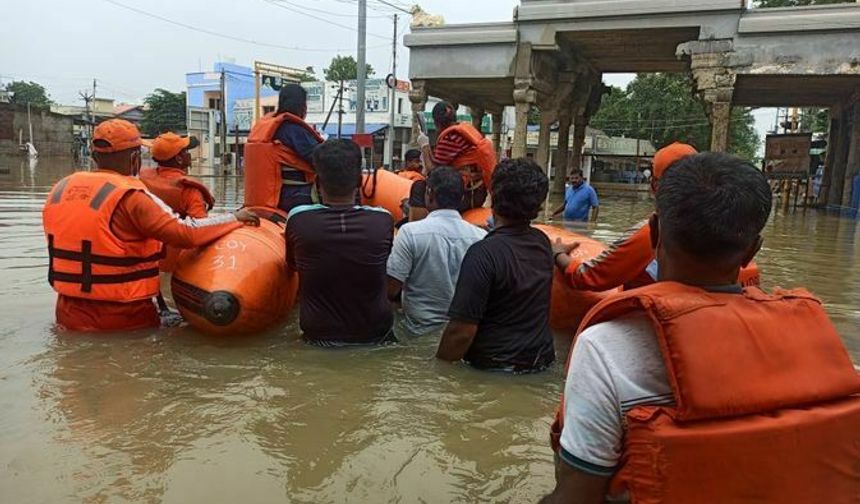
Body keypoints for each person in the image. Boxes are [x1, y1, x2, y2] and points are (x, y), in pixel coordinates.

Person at [541, 152, 860, 504]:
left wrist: (558, 256)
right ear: (752, 250)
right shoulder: (822, 347)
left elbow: (576, 497)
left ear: (656, 232)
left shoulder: (604, 348)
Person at [43, 119, 259, 332]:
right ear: (136, 157)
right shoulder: (131, 196)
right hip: (125, 317)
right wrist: (235, 218)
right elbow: (186, 233)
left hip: (67, 312)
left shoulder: (59, 189)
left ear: (95, 156)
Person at [437, 158, 555, 373]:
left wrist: (437, 370)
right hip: (541, 362)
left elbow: (461, 333)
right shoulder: (542, 243)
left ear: (495, 196)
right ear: (539, 204)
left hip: (494, 368)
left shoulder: (482, 254)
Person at [286, 139, 395, 346]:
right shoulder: (383, 220)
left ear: (317, 182)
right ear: (358, 182)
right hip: (377, 337)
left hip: (319, 337)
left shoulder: (298, 219)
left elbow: (292, 265)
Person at [553, 142, 698, 291]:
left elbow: (590, 276)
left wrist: (558, 254)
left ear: (654, 186)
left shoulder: (652, 232)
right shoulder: (717, 228)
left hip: (651, 308)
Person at [386, 166, 487, 335]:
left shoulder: (410, 233)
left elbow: (391, 289)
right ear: (462, 198)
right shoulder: (480, 237)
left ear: (429, 194)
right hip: (459, 336)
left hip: (416, 333)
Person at [244, 84, 324, 214]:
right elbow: (324, 160)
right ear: (303, 107)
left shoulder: (266, 126)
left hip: (267, 197)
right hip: (294, 196)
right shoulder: (294, 130)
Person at [416, 101, 497, 210]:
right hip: (477, 190)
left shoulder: (450, 137)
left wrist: (424, 146)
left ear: (436, 123)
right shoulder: (466, 129)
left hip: (466, 194)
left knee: (419, 189)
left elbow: (433, 171)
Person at [140, 132, 213, 219]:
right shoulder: (189, 190)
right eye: (186, 151)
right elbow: (201, 227)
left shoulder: (141, 180)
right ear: (179, 159)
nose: (189, 155)